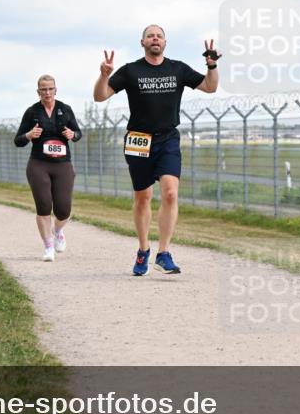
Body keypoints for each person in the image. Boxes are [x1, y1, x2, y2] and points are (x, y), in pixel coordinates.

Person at [94, 25, 220, 275]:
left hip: (168, 139)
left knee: (170, 193)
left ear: (165, 42)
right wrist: (104, 75)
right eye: (150, 36)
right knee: (143, 198)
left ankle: (163, 253)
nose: (155, 39)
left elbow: (210, 87)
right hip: (138, 140)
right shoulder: (131, 70)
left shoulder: (178, 69)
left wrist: (212, 65)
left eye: (159, 36)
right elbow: (100, 96)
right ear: (142, 42)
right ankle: (143, 250)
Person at [14, 75, 82, 261]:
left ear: (55, 90)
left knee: (63, 210)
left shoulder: (65, 109)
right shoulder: (32, 112)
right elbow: (18, 140)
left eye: (50, 89)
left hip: (62, 164)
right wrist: (29, 135)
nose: (47, 92)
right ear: (38, 92)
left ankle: (58, 231)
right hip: (39, 164)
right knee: (43, 206)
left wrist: (73, 134)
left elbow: (78, 133)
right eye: (43, 89)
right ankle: (48, 246)